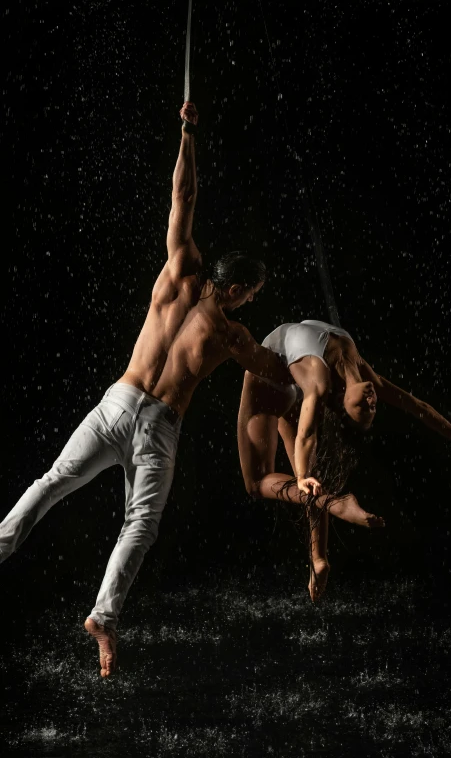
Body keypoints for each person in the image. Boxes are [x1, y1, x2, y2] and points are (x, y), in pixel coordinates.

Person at [0, 102, 290, 677]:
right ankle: (104, 617)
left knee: (54, 481)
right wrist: (317, 362)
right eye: (252, 293)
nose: (253, 301)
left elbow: (181, 195)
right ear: (236, 288)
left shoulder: (179, 265)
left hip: (117, 402)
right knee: (140, 523)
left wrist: (186, 132)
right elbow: (273, 367)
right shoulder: (231, 334)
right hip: (157, 426)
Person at [237, 319, 451, 602]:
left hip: (268, 378)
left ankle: (335, 504)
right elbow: (418, 407)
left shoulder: (319, 381)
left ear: (341, 401)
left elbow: (307, 437)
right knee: (311, 482)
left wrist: (301, 475)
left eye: (362, 407)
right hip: (291, 380)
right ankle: (318, 558)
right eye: (372, 407)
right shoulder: (365, 374)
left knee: (257, 483)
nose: (371, 400)